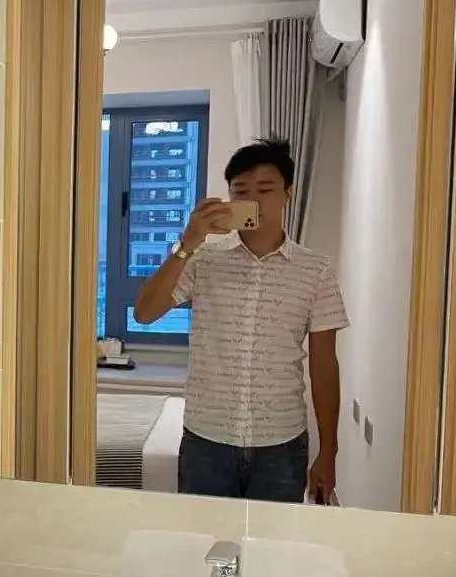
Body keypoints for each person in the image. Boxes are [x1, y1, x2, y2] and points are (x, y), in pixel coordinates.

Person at [133, 137, 349, 504]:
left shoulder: (316, 270)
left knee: (273, 538)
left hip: (282, 443)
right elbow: (145, 313)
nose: (253, 200)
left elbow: (325, 365)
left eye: (265, 189)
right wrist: (187, 244)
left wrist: (329, 450)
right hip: (206, 439)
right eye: (241, 191)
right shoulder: (202, 260)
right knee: (204, 535)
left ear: (287, 194)